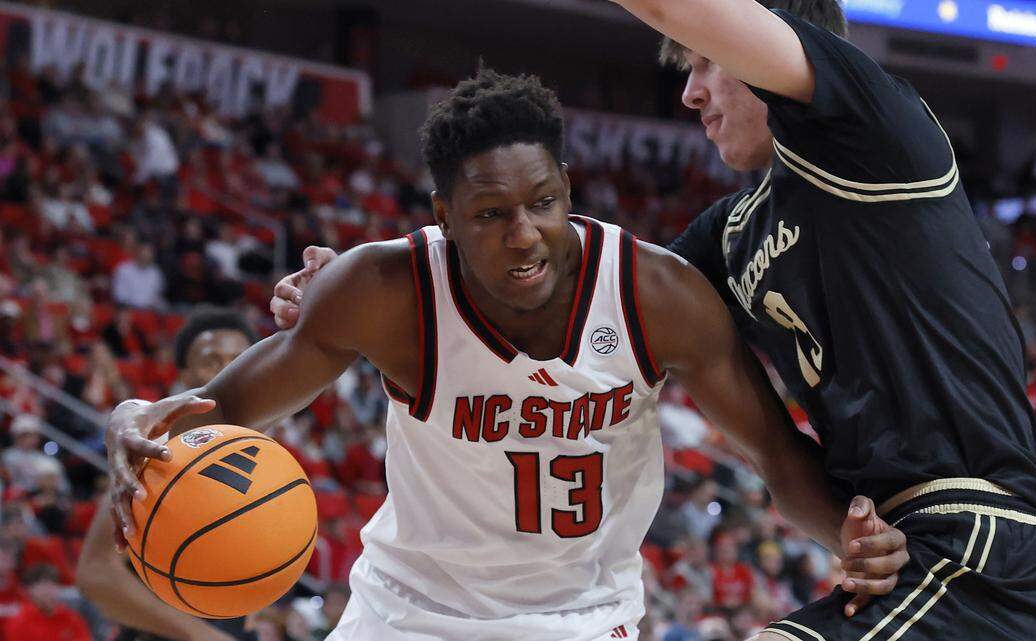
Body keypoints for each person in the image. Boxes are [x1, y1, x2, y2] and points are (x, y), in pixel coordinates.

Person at [279, 2, 1036, 638]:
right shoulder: (732, 234)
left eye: (704, 64)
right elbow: (579, 287)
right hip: (903, 551)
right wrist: (357, 288)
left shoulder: (875, 133)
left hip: (980, 532)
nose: (691, 93)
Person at [105, 68, 907, 641]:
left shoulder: (655, 295)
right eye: (491, 214)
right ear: (444, 214)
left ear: (567, 187)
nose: (525, 235)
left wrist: (848, 538)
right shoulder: (384, 291)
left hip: (581, 618)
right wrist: (136, 419)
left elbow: (775, 452)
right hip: (405, 612)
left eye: (543, 202)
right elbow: (223, 409)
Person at [77, 307, 257, 641]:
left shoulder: (263, 449)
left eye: (238, 360)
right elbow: (96, 571)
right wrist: (202, 636)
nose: (227, 371)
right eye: (211, 361)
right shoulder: (159, 449)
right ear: (186, 376)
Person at [4, 564, 92, 641]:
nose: (49, 592)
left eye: (53, 585)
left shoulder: (71, 617)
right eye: (43, 586)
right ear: (29, 591)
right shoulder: (19, 622)